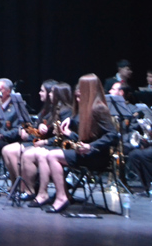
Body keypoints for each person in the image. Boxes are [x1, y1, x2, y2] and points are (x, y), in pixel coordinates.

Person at [32, 74, 118, 213]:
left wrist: (91, 146)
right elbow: (79, 131)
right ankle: (63, 194)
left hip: (96, 155)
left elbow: (113, 135)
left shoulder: (99, 108)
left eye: (80, 95)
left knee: (53, 155)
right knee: (49, 154)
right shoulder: (85, 107)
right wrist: (70, 122)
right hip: (83, 150)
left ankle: (62, 197)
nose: (77, 99)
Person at [14, 82, 73, 202]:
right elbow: (46, 129)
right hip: (51, 143)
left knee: (35, 153)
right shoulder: (53, 109)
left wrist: (45, 142)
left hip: (61, 145)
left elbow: (61, 136)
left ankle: (42, 193)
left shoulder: (66, 111)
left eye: (52, 93)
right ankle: (28, 190)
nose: (50, 94)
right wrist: (40, 126)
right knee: (25, 153)